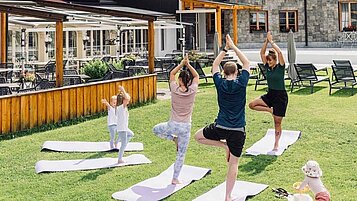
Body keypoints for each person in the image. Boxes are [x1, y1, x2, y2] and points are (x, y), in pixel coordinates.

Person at [194, 34, 250, 201]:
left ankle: (223, 146)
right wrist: (233, 47)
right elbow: (247, 62)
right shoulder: (242, 83)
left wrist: (225, 48)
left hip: (221, 127)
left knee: (198, 136)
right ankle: (227, 196)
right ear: (237, 72)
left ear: (224, 72)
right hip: (238, 130)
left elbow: (214, 64)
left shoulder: (219, 82)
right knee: (233, 164)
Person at [152, 55, 199, 185]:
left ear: (179, 80)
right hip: (185, 128)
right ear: (189, 81)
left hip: (172, 126)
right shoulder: (193, 90)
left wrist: (181, 63)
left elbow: (172, 73)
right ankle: (175, 178)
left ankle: (173, 139)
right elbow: (196, 77)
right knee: (181, 154)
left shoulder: (174, 89)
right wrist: (188, 65)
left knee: (155, 130)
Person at [248, 31, 288, 152]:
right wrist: (266, 41)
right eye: (268, 60)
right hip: (270, 94)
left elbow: (280, 52)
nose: (269, 62)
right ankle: (270, 110)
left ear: (275, 60)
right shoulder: (267, 67)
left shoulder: (280, 67)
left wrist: (272, 42)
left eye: (271, 60)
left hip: (280, 97)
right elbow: (261, 53)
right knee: (252, 105)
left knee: (277, 123)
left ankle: (276, 144)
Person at [116, 86, 134, 164]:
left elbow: (126, 98)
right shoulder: (121, 108)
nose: (128, 102)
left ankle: (118, 141)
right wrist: (123, 90)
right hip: (122, 129)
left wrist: (123, 92)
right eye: (127, 100)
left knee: (131, 134)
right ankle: (120, 159)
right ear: (124, 100)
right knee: (123, 144)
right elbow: (126, 97)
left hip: (124, 128)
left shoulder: (123, 108)